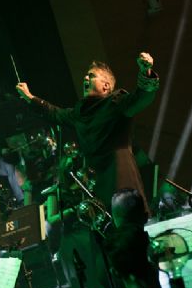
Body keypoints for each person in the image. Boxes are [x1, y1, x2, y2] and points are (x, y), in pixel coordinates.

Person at [16, 53, 159, 213]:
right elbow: (55, 113)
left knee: (128, 228)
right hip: (97, 187)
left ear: (106, 86)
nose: (85, 78)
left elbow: (141, 98)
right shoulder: (80, 113)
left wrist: (146, 72)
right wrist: (30, 97)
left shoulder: (115, 103)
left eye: (91, 76)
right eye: (85, 75)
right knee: (105, 233)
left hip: (120, 180)